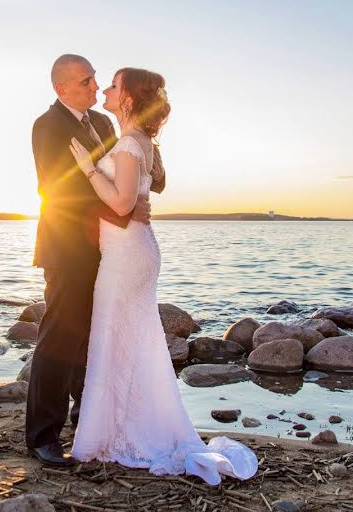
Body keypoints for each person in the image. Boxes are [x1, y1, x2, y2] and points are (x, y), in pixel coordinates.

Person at [68, 67, 258, 485]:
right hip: (134, 249)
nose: (106, 90)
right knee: (130, 340)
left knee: (118, 338)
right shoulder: (138, 142)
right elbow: (136, 199)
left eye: (114, 86)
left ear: (130, 99)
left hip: (128, 254)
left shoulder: (130, 143)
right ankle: (125, 427)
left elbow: (120, 205)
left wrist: (87, 168)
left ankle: (124, 433)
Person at [26, 54, 166, 466]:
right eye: (86, 81)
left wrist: (143, 178)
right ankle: (41, 435)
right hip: (67, 247)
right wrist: (122, 210)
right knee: (58, 336)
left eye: (96, 81)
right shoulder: (47, 126)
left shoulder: (106, 125)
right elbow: (55, 189)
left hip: (110, 249)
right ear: (61, 88)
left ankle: (88, 419)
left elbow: (131, 174)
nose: (94, 87)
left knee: (95, 336)